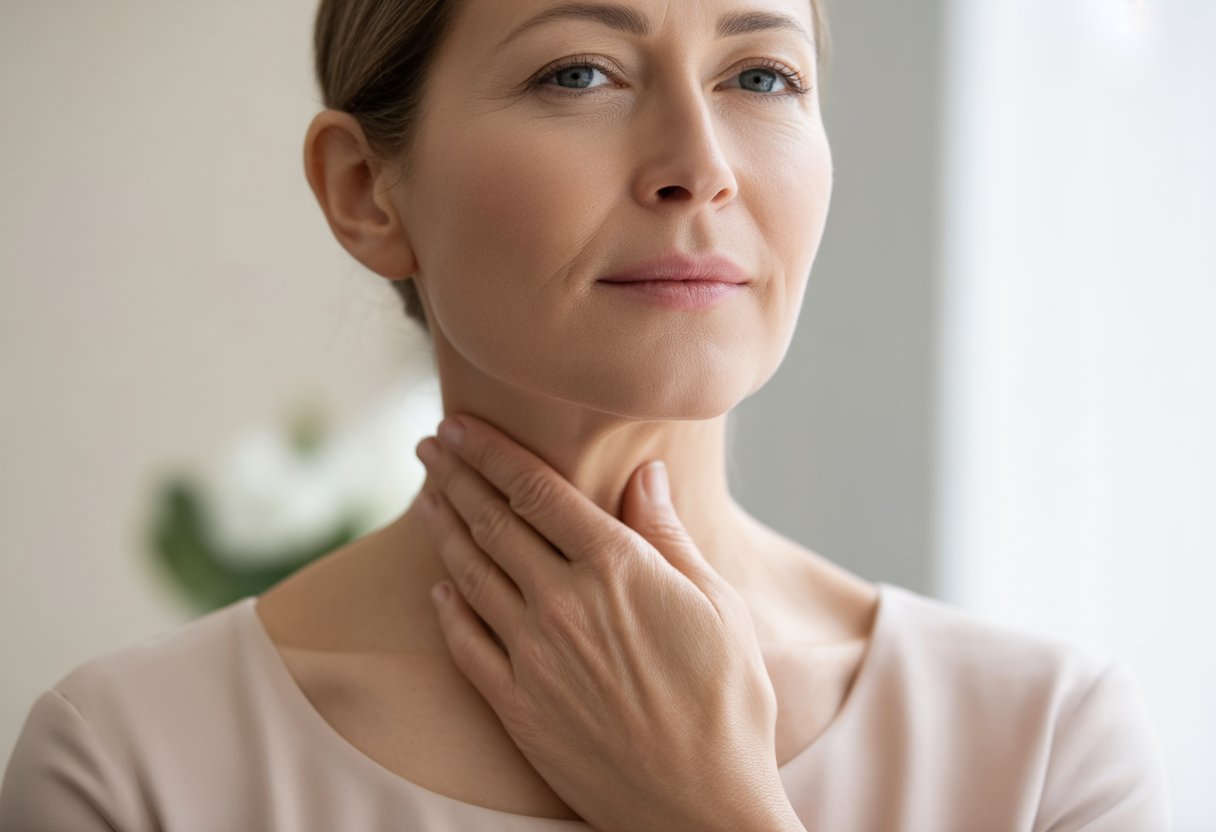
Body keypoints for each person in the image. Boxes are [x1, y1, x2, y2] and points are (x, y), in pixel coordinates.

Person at [0, 0, 1173, 829]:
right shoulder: (134, 767)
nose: (698, 165)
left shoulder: (1045, 750)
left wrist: (712, 808)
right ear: (365, 192)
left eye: (760, 75)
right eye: (580, 73)